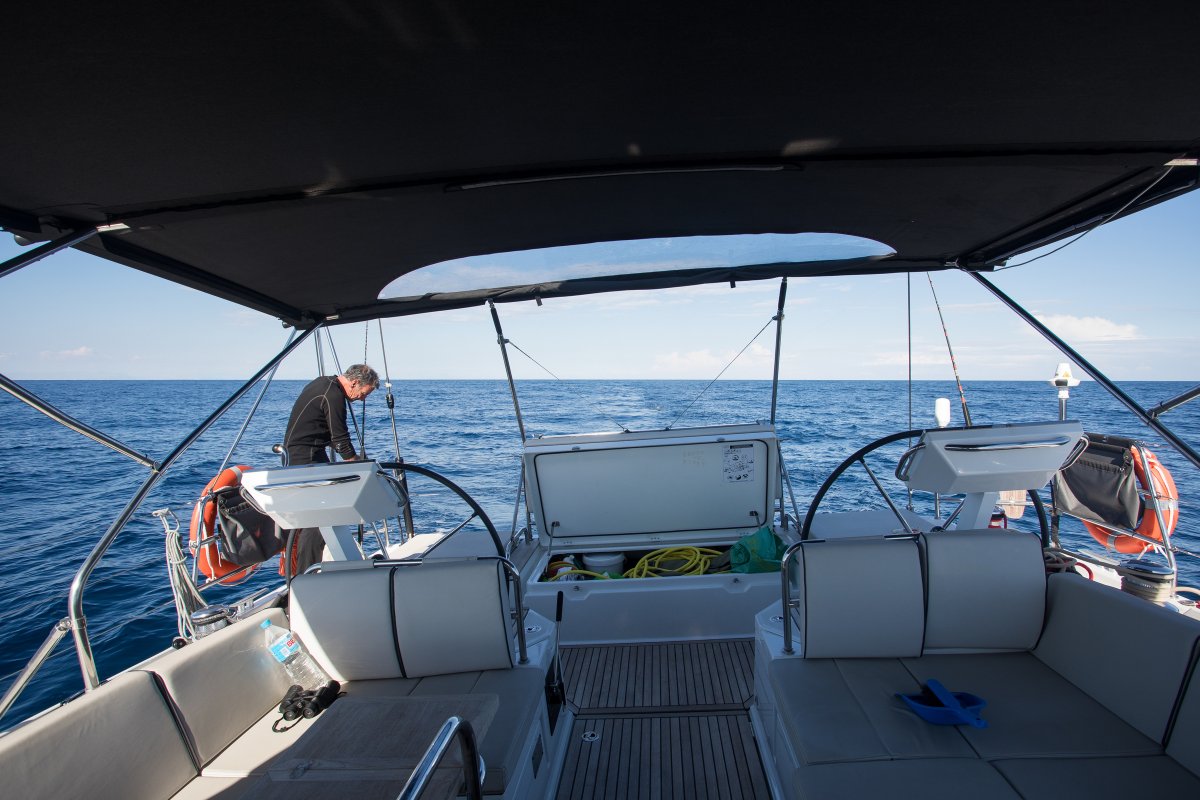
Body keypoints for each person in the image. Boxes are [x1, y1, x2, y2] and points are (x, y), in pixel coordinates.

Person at [280, 364, 379, 574]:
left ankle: (306, 571)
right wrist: (357, 466)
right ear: (354, 383)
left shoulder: (323, 383)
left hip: (305, 454)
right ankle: (306, 575)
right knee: (318, 519)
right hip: (305, 458)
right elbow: (340, 439)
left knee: (317, 516)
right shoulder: (333, 395)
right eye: (364, 393)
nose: (362, 399)